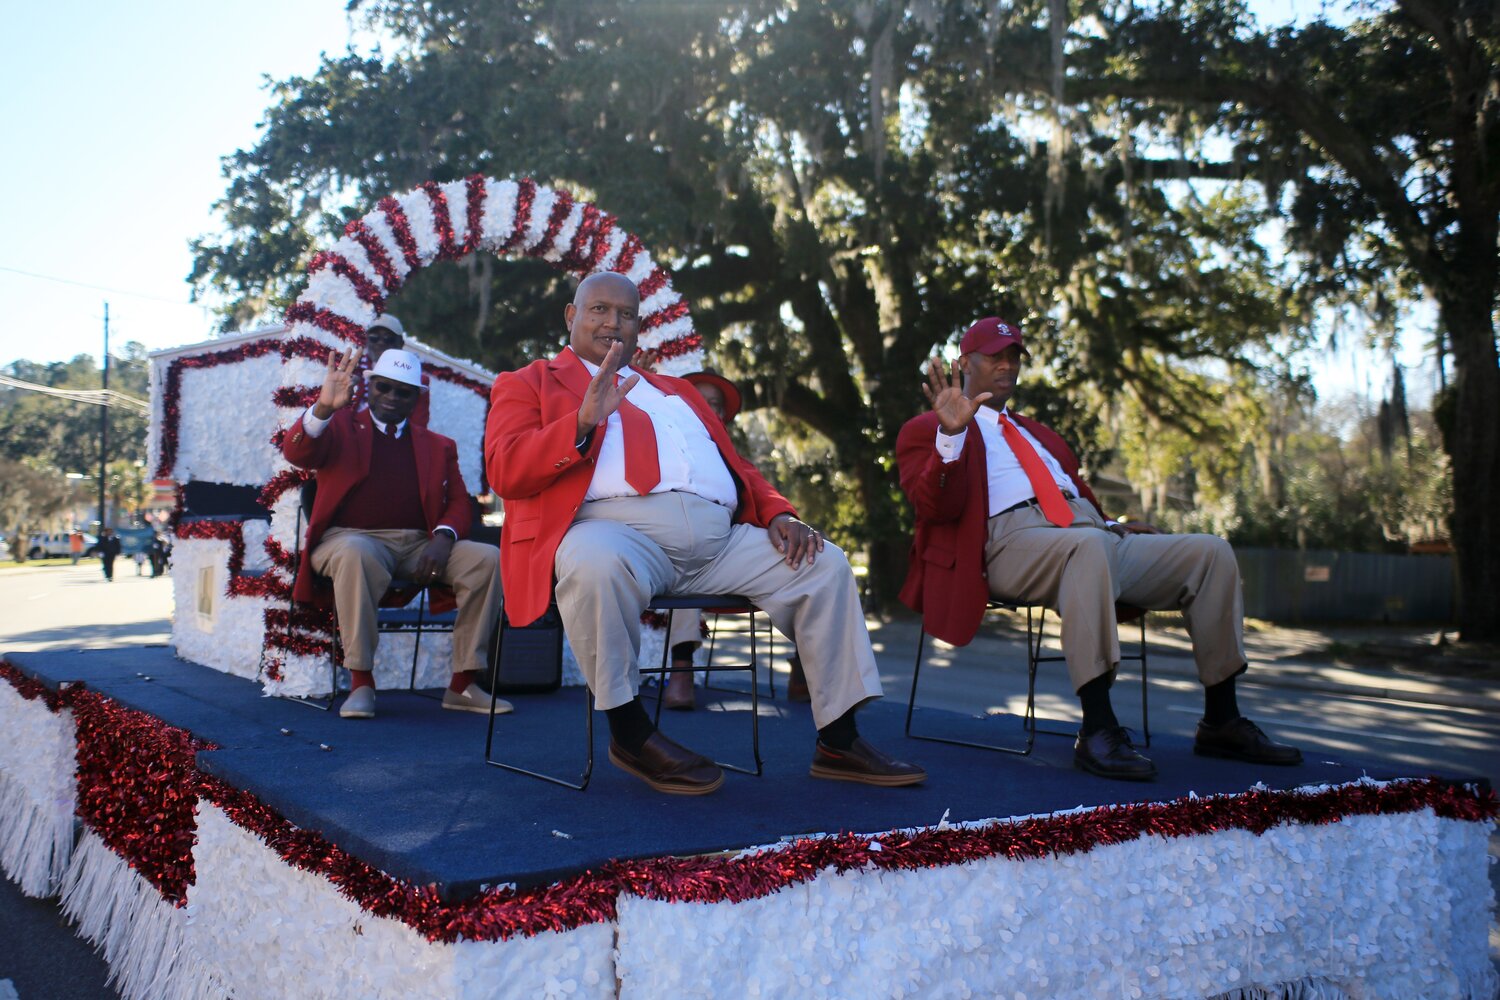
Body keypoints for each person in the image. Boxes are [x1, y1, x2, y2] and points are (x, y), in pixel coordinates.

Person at [486, 272, 925, 795]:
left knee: (824, 562)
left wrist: (779, 513)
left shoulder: (676, 392)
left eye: (626, 314)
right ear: (571, 316)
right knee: (592, 559)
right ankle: (629, 732)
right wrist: (580, 423)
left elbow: (737, 466)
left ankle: (838, 739)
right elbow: (505, 469)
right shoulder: (529, 381)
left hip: (720, 539)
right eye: (600, 309)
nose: (613, 323)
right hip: (619, 533)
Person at [896, 316, 1302, 781]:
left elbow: (1071, 494)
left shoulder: (1038, 433)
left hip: (1087, 534)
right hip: (1006, 545)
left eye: (1014, 357)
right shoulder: (930, 427)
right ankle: (1098, 727)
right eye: (995, 356)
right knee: (1087, 548)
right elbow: (933, 506)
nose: (1007, 365)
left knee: (1210, 552)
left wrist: (1113, 524)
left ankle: (1221, 720)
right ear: (965, 362)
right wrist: (951, 435)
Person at [282, 346, 504, 720]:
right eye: (384, 388)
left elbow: (459, 502)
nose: (392, 397)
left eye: (403, 391)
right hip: (348, 539)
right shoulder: (340, 426)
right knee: (357, 552)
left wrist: (444, 537)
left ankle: (463, 683)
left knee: (488, 559)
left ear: (416, 397)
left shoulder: (437, 445)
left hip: (417, 544)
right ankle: (361, 683)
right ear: (370, 388)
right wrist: (322, 408)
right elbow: (297, 453)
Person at [361, 314, 431, 427]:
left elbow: (419, 425)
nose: (380, 342)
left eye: (388, 338)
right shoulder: (354, 368)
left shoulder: (418, 379)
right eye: (374, 337)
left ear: (401, 343)